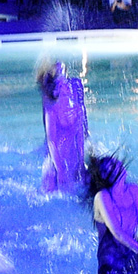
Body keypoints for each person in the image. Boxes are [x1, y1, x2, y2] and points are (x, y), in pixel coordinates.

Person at [39, 61, 88, 195]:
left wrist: (82, 161)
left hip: (71, 151)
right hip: (56, 152)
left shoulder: (77, 106)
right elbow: (51, 141)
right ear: (55, 90)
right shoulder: (51, 109)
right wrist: (60, 169)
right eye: (61, 84)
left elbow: (80, 136)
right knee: (50, 185)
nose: (66, 86)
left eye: (66, 83)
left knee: (80, 185)